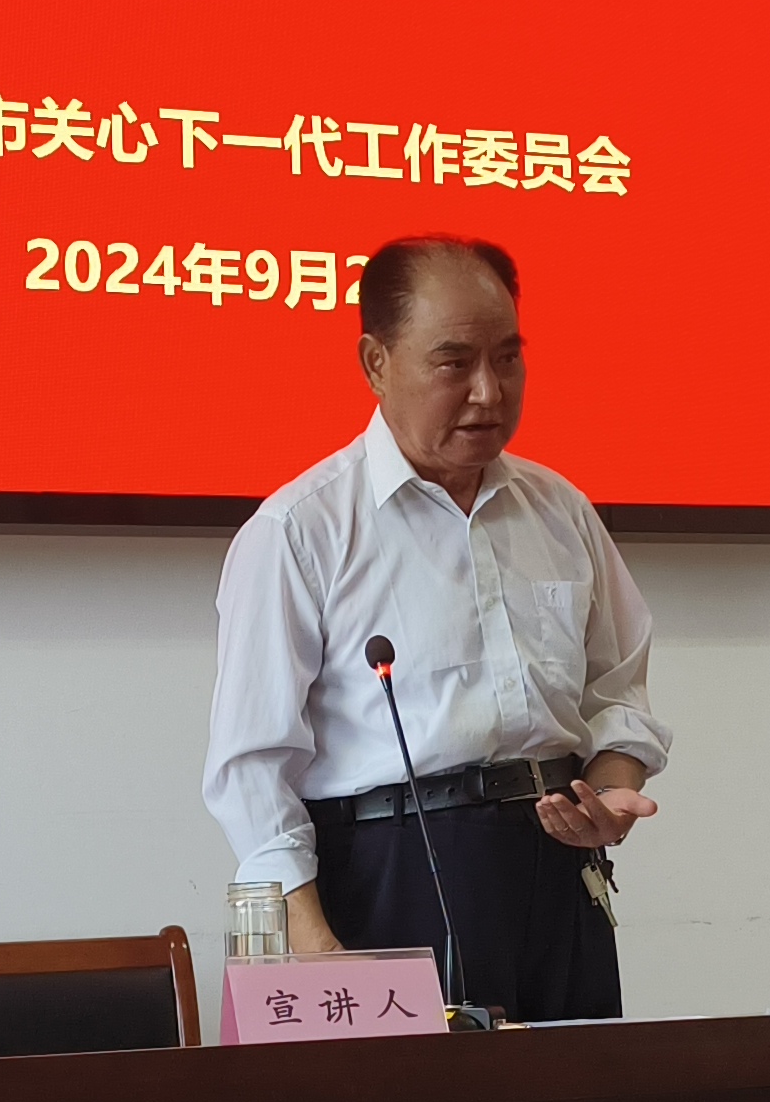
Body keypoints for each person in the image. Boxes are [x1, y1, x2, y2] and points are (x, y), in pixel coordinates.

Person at [203, 235, 668, 1022]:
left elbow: (619, 688)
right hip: (389, 879)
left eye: (508, 359)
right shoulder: (301, 531)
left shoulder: (559, 511)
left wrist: (613, 789)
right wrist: (316, 945)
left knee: (581, 1097)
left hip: (559, 869)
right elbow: (251, 767)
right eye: (454, 363)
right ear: (376, 362)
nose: (488, 392)